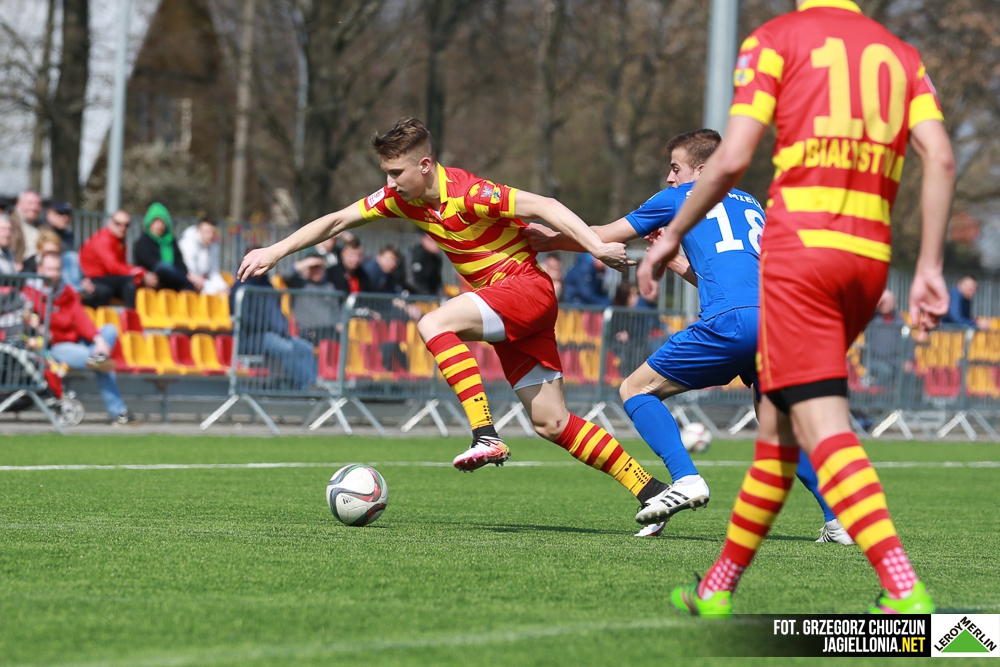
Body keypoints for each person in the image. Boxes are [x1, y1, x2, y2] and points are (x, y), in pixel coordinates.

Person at [638, 0, 954, 615]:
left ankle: (903, 588)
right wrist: (931, 266)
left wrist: (673, 234)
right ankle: (718, 589)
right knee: (779, 431)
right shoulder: (901, 54)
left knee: (821, 426)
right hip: (867, 261)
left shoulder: (776, 39)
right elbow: (940, 157)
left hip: (801, 258)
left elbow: (731, 160)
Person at [238, 116, 672, 519]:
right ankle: (650, 489)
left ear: (425, 165)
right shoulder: (401, 200)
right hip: (512, 305)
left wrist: (596, 248)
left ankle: (485, 434)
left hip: (525, 290)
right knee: (552, 423)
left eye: (396, 173)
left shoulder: (470, 192)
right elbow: (337, 220)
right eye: (386, 173)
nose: (389, 183)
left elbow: (546, 205)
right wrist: (275, 251)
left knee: (433, 323)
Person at [529, 129, 848, 544]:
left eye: (675, 167)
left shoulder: (680, 197)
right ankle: (838, 521)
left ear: (701, 170)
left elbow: (604, 234)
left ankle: (685, 478)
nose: (669, 177)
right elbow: (736, 278)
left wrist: (549, 239)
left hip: (731, 323)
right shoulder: (752, 203)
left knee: (635, 389)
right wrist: (681, 266)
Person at [24, 252, 140, 425]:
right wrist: (39, 329)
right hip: (55, 347)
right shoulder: (31, 293)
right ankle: (118, 411)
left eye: (57, 269)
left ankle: (98, 356)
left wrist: (99, 340)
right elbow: (27, 319)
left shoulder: (67, 291)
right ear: (39, 269)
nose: (54, 274)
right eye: (49, 269)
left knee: (109, 330)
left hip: (75, 340)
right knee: (101, 364)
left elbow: (81, 319)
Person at [231, 250, 317, 391]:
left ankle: (312, 385)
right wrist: (271, 326)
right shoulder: (240, 287)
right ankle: (304, 387)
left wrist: (282, 326)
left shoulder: (268, 285)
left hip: (273, 334)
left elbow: (276, 312)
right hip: (251, 338)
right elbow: (244, 318)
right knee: (286, 348)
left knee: (306, 348)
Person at [79, 210, 158, 308]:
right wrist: (142, 272)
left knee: (137, 282)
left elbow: (119, 267)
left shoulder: (120, 240)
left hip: (107, 278)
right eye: (118, 224)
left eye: (126, 225)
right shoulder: (103, 239)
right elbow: (114, 267)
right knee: (130, 281)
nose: (122, 228)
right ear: (110, 222)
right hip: (94, 278)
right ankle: (132, 314)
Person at [133, 203, 197, 292]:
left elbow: (180, 264)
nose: (159, 226)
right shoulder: (143, 242)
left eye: (162, 222)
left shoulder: (171, 241)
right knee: (162, 267)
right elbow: (149, 263)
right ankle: (188, 285)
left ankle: (187, 286)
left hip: (171, 279)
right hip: (154, 279)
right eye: (156, 222)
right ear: (149, 223)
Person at [282, 250, 342, 345]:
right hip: (308, 332)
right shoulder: (299, 284)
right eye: (313, 267)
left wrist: (339, 323)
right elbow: (286, 275)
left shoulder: (329, 286)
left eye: (319, 267)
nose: (316, 271)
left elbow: (335, 309)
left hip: (331, 332)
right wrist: (307, 262)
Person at [178, 217, 229, 295]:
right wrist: (215, 289)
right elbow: (190, 274)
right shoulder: (187, 244)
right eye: (207, 232)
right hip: (186, 286)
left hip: (202, 285)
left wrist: (223, 287)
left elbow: (214, 273)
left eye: (213, 232)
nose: (210, 235)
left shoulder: (213, 247)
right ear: (198, 230)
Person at [8, 189, 42, 267]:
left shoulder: (42, 225)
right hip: (18, 266)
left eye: (38, 204)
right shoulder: (9, 221)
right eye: (30, 203)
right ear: (18, 203)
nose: (34, 207)